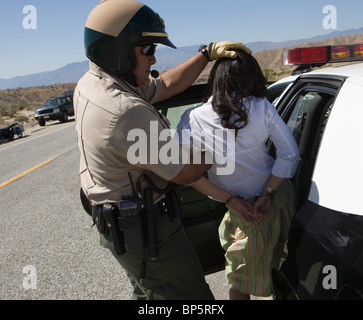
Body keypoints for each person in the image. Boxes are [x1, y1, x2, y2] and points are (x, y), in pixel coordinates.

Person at [74, 0, 251, 300]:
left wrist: (205, 54)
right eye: (148, 50)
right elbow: (186, 171)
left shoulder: (99, 82)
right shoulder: (124, 111)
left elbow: (166, 84)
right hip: (145, 231)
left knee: (151, 294)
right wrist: (230, 137)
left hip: (124, 223)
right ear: (118, 50)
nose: (154, 60)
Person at [177, 50, 300, 299]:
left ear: (216, 79)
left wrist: (229, 199)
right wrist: (267, 193)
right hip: (279, 198)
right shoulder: (262, 106)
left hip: (243, 212)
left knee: (240, 282)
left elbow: (188, 174)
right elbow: (290, 155)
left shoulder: (192, 118)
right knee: (285, 267)